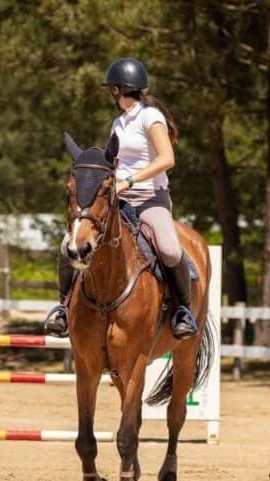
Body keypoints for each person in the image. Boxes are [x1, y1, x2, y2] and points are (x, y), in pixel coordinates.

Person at [44, 57, 197, 339]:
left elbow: (167, 159)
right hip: (119, 198)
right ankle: (64, 308)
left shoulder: (150, 117)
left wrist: (129, 181)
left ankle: (182, 311)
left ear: (118, 89)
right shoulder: (119, 123)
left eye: (111, 89)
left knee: (170, 249)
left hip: (151, 198)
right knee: (70, 243)